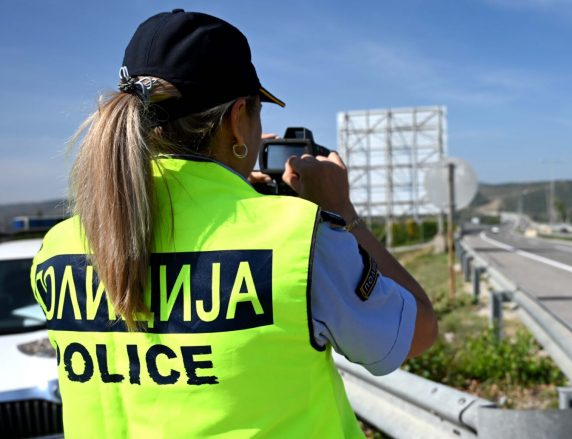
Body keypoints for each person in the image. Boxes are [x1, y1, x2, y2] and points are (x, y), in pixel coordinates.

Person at [29, 9, 437, 438]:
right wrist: (342, 213)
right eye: (258, 115)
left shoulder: (60, 245)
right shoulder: (296, 237)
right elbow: (417, 332)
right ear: (238, 118)